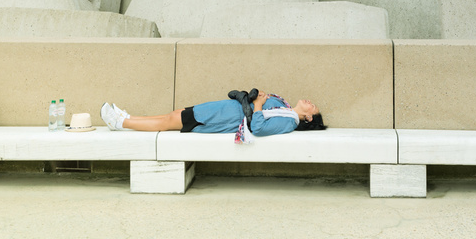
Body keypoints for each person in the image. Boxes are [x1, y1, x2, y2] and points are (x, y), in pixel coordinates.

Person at [99, 90, 324, 140]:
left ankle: (121, 123)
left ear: (308, 118)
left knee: (169, 122)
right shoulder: (284, 106)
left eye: (312, 107)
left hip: (221, 119)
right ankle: (128, 118)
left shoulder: (289, 122)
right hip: (221, 109)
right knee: (174, 114)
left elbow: (259, 127)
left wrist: (258, 104)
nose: (309, 102)